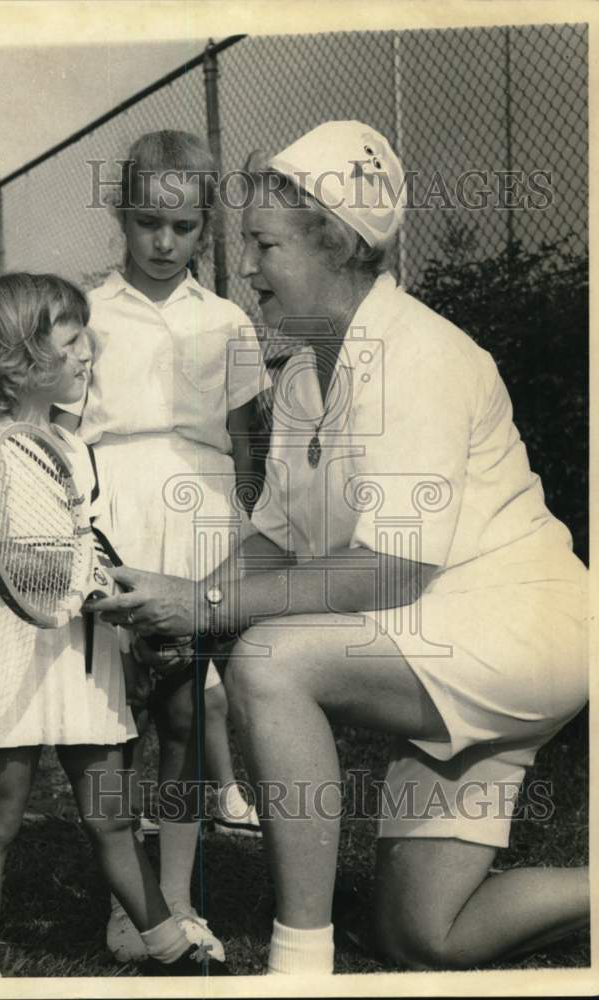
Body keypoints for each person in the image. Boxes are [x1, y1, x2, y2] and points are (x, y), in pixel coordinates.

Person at [89, 121, 589, 974]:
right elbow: (275, 540)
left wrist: (209, 610)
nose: (244, 268)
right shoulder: (304, 371)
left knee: (273, 660)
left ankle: (300, 962)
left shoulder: (419, 354)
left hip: (525, 639)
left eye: (265, 244)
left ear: (340, 245)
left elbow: (390, 566)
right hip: (445, 650)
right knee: (423, 933)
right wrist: (183, 605)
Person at [0, 271, 228, 978]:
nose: (86, 356)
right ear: (18, 356)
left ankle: (165, 942)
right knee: (0, 815)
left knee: (110, 811)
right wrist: (80, 584)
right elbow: (9, 553)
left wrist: (123, 611)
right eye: (71, 342)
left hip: (81, 644)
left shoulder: (74, 448)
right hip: (12, 643)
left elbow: (86, 546)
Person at [52, 130, 265, 963]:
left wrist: (241, 540)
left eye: (182, 228)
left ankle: (174, 900)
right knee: (111, 722)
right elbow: (64, 432)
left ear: (206, 227)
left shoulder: (228, 320)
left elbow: (248, 449)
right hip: (114, 514)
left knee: (182, 712)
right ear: (123, 216)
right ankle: (127, 905)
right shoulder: (88, 313)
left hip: (201, 519)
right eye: (148, 224)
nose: (164, 242)